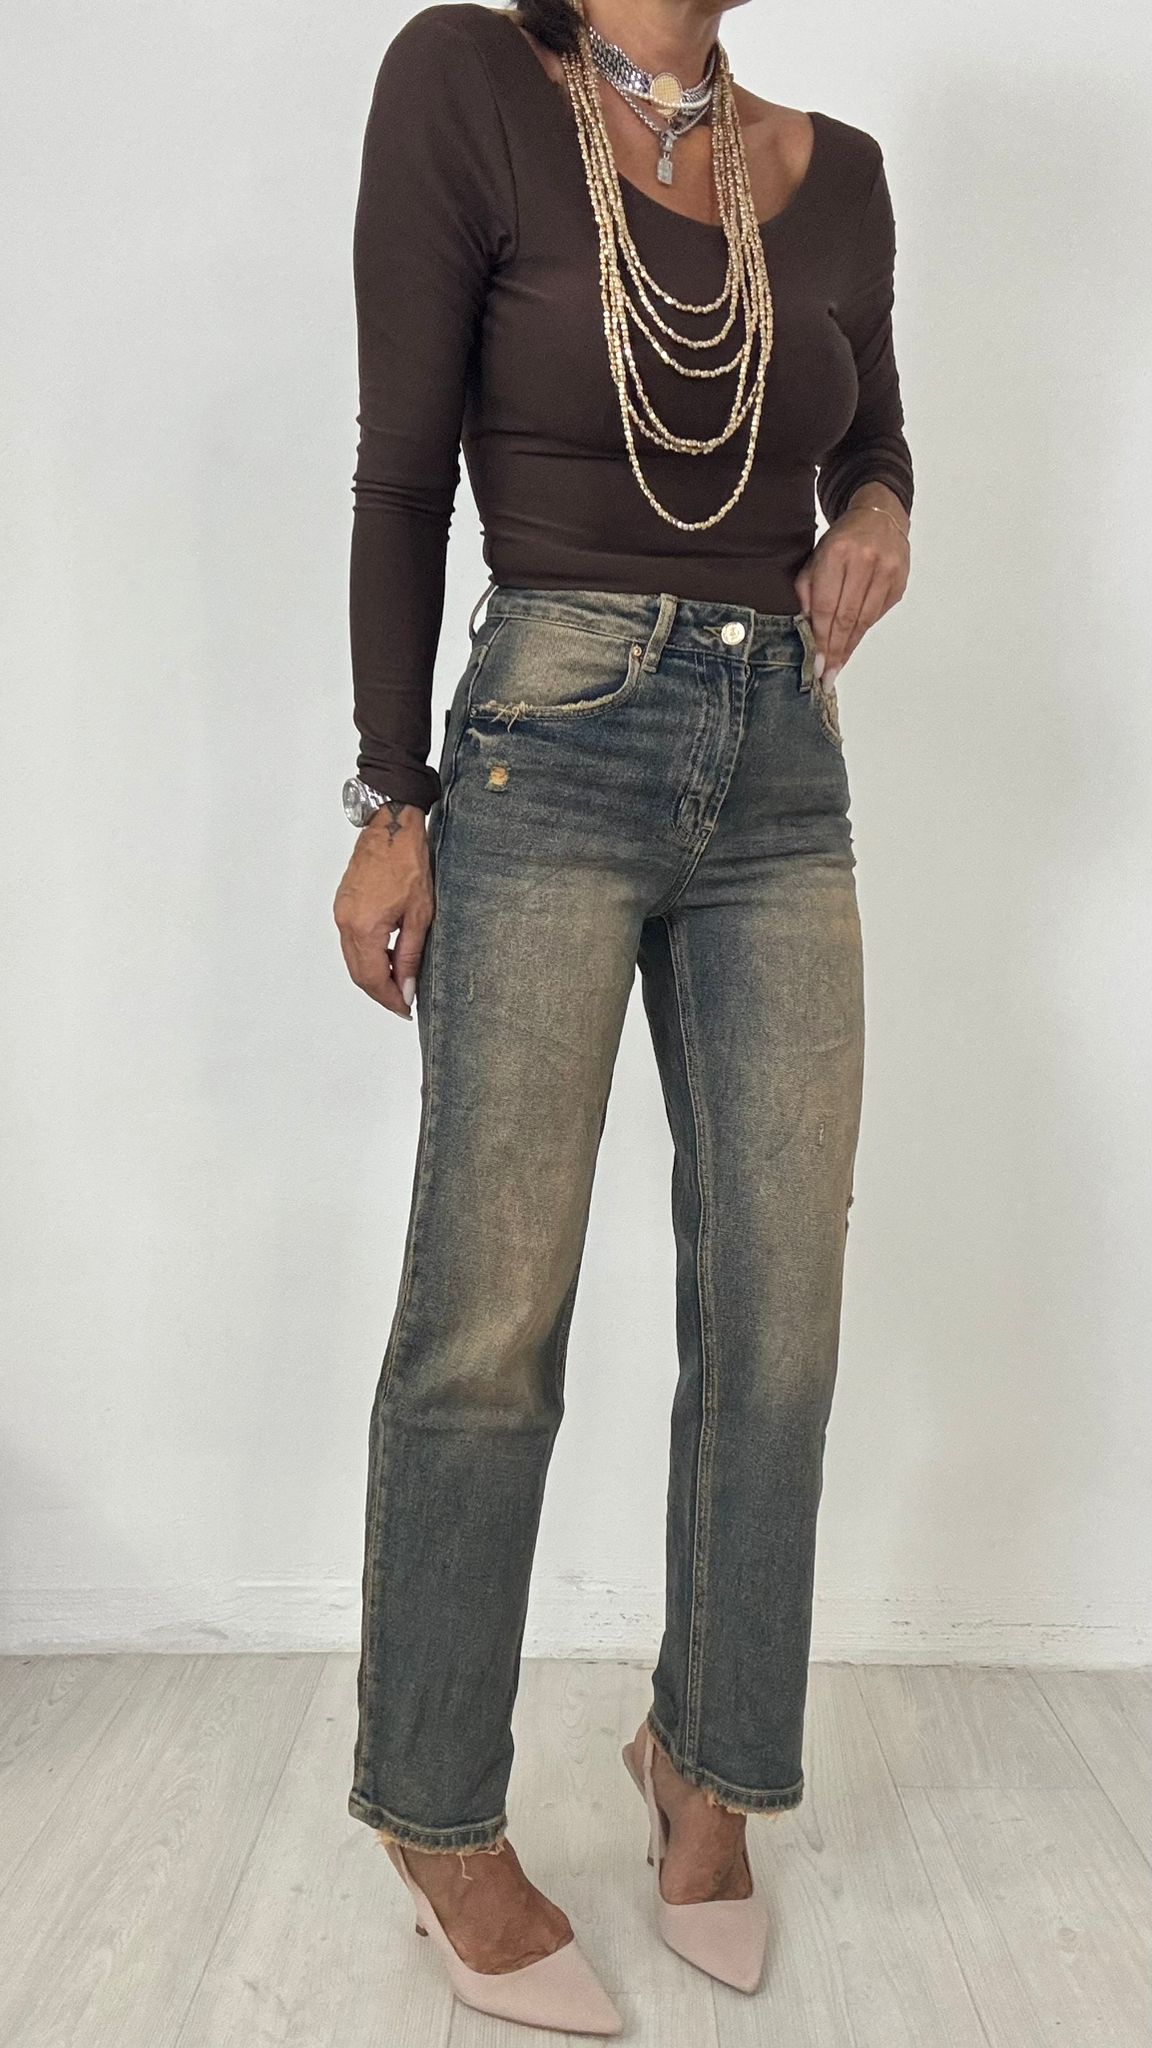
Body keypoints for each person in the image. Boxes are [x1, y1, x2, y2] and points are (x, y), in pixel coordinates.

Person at [332, 0, 912, 2029]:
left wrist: (879, 511)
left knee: (780, 1308)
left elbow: (871, 433)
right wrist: (391, 801)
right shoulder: (468, 83)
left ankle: (707, 1761)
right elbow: (401, 475)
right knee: (492, 1312)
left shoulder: (835, 171)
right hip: (549, 738)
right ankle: (434, 1809)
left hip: (782, 766)